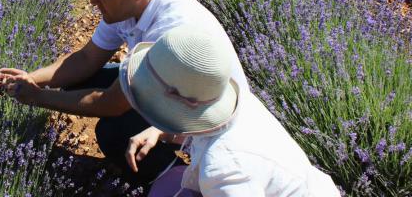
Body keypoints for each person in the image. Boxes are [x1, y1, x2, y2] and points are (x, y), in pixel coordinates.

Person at [0, 0, 249, 182]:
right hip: (171, 94)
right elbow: (87, 58)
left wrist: (38, 97)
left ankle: (176, 181)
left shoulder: (170, 30)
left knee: (113, 133)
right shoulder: (127, 4)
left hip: (208, 124)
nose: (92, 1)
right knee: (76, 83)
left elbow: (112, 103)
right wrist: (30, 79)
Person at [120, 25, 341, 197]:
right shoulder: (234, 100)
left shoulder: (223, 168)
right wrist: (161, 131)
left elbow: (226, 161)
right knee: (166, 186)